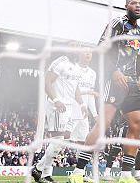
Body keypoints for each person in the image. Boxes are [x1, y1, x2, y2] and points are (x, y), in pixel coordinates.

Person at [70, 0, 140, 183]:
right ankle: (78, 172)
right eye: (134, 3)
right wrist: (113, 72)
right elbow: (101, 48)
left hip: (131, 81)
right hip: (114, 79)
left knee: (137, 124)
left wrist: (133, 80)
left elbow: (131, 58)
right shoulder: (117, 23)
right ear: (126, 6)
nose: (138, 6)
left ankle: (126, 175)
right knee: (104, 123)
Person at [32, 48, 96, 183]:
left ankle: (38, 168)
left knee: (62, 141)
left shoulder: (76, 67)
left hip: (70, 107)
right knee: (58, 140)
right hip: (57, 106)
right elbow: (47, 81)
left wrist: (82, 105)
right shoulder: (60, 62)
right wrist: (56, 100)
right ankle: (44, 174)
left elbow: (76, 88)